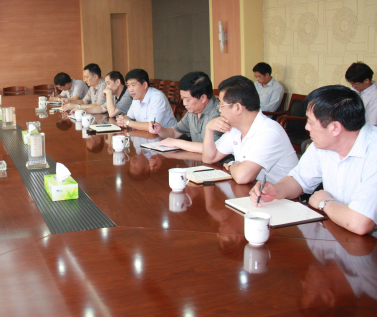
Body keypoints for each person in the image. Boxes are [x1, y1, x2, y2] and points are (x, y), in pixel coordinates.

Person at [250, 85, 377, 235]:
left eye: (310, 122)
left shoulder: (373, 150)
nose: (307, 127)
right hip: (336, 230)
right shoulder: (324, 143)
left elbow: (360, 223)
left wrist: (325, 202)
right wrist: (276, 189)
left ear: (335, 128)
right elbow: (299, 180)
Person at [203, 75, 298, 184]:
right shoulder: (235, 129)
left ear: (237, 108)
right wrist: (209, 129)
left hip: (280, 193)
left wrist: (232, 165)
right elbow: (209, 158)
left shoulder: (268, 131)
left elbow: (242, 177)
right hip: (255, 190)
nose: (219, 110)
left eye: (221, 105)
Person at [149, 71, 221, 153]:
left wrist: (177, 143)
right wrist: (160, 130)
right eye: (182, 98)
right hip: (196, 158)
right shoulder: (193, 111)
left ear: (203, 98)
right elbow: (174, 133)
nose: (184, 103)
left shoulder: (218, 112)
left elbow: (212, 148)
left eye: (188, 100)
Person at [66, 71, 132, 117]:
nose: (106, 87)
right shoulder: (114, 95)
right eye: (106, 84)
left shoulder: (127, 94)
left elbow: (112, 113)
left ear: (117, 82)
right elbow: (101, 108)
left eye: (108, 84)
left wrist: (108, 93)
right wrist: (82, 110)